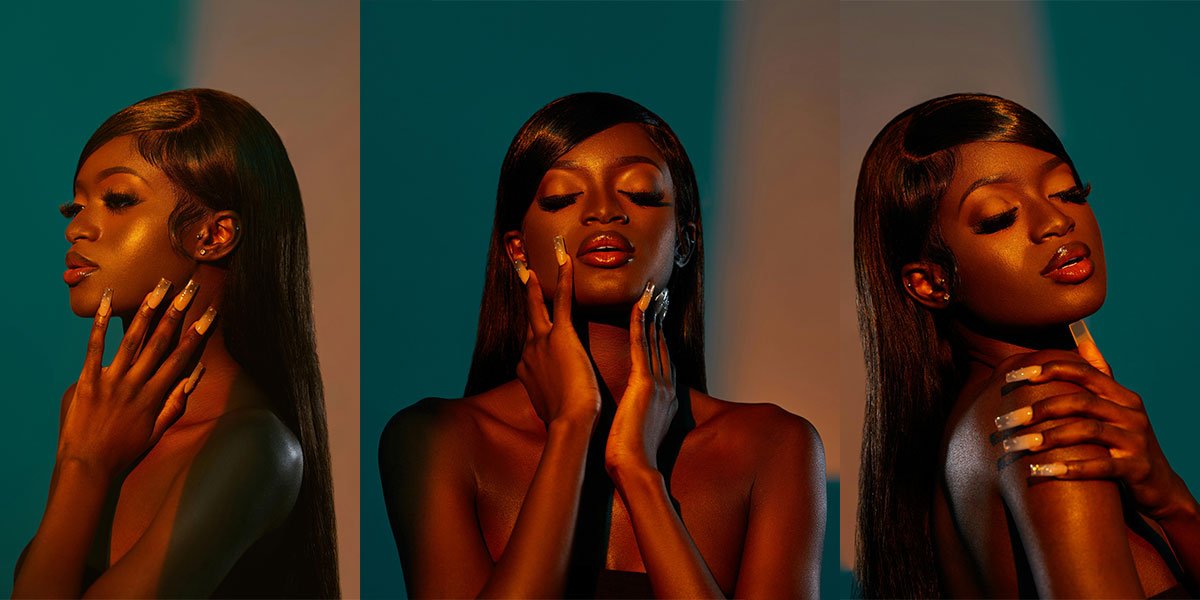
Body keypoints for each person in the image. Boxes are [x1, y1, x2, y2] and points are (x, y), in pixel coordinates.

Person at [380, 92, 825, 598]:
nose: (603, 212)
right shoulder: (438, 441)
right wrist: (571, 427)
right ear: (518, 250)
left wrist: (639, 473)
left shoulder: (774, 448)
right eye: (562, 198)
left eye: (640, 193)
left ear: (684, 240)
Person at [854, 92, 1199, 598]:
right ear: (930, 282)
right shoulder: (1046, 407)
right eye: (999, 217)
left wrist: (1170, 501)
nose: (1057, 222)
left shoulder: (978, 418)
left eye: (1068, 192)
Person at [13, 89, 339, 598]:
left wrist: (83, 465)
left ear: (214, 234)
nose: (77, 227)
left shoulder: (255, 448)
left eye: (118, 200)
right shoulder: (89, 413)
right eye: (73, 206)